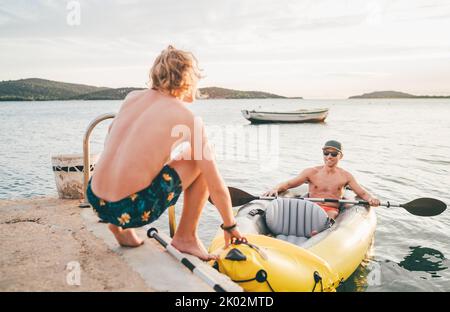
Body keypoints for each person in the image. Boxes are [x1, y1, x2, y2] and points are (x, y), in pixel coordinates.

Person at [87, 45, 245, 260]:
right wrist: (230, 225)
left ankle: (120, 227)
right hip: (132, 207)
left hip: (96, 198)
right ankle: (186, 238)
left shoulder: (132, 97)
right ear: (188, 79)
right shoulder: (187, 117)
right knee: (202, 158)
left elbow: (113, 135)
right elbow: (215, 184)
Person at [264, 140, 380, 220]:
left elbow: (362, 193)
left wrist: (371, 199)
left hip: (331, 209)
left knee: (329, 216)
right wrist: (275, 188)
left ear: (341, 156)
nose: (329, 156)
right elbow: (288, 184)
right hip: (310, 207)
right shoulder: (311, 172)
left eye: (334, 154)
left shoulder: (346, 176)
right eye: (326, 153)